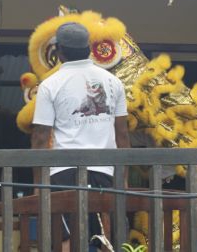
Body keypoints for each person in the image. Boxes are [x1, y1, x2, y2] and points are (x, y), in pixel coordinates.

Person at [31, 22, 131, 251]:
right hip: (104, 173)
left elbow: (40, 137)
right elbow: (122, 134)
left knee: (66, 239)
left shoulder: (49, 85)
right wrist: (123, 177)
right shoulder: (113, 82)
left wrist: (38, 184)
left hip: (63, 174)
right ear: (88, 48)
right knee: (104, 237)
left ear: (58, 51)